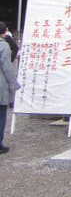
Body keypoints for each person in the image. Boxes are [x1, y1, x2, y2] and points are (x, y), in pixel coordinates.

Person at [0, 21, 20, 154]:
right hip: (1, 84)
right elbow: (7, 67)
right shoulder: (4, 46)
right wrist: (14, 84)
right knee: (1, 114)